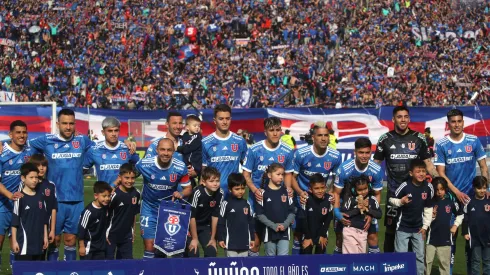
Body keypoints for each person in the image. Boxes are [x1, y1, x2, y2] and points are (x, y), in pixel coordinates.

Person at [26, 109, 96, 261]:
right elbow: (25, 145)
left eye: (71, 123)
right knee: (54, 240)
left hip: (76, 200)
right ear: (58, 124)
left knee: (71, 239)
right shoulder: (46, 140)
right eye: (64, 123)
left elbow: (101, 147)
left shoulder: (82, 141)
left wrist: (128, 144)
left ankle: (69, 271)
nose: (68, 127)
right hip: (53, 201)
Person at [374, 106, 437, 253]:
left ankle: (413, 268)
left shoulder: (419, 138)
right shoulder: (385, 139)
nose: (403, 119)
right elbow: (375, 166)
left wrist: (441, 183)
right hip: (393, 195)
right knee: (390, 232)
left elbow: (428, 165)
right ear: (393, 119)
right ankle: (389, 266)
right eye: (399, 116)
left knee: (416, 231)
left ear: (409, 118)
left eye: (405, 117)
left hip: (416, 195)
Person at [434, 109, 488, 274]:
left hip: (472, 198)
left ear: (463, 122)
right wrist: (456, 192)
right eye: (453, 122)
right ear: (448, 124)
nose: (456, 124)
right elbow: (441, 173)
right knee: (450, 237)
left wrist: (487, 188)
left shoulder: (473, 141)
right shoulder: (442, 144)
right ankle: (448, 271)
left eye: (459, 121)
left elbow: (483, 167)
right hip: (451, 197)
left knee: (472, 237)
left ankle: (470, 271)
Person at [242, 117, 294, 256]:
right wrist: (254, 190)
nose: (275, 133)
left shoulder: (287, 151)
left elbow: (288, 173)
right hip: (257, 204)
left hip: (278, 205)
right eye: (272, 130)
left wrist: (288, 190)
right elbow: (246, 173)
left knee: (278, 242)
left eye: (278, 130)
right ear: (265, 132)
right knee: (255, 242)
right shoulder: (254, 150)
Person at [135, 138, 192, 259]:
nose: (165, 153)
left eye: (169, 150)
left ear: (174, 151)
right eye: (162, 149)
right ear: (157, 150)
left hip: (169, 211)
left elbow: (188, 188)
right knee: (150, 248)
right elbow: (128, 175)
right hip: (149, 209)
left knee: (171, 248)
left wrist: (181, 194)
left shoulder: (180, 167)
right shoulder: (144, 164)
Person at [292, 124, 341, 255]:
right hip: (302, 200)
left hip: (321, 200)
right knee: (298, 235)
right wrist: (300, 192)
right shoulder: (301, 154)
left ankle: (321, 268)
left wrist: (330, 190)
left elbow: (336, 178)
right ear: (313, 137)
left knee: (322, 234)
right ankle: (296, 266)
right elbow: (292, 177)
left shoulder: (335, 156)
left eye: (326, 135)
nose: (323, 138)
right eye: (320, 135)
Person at [333, 137, 383, 254]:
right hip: (346, 209)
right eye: (361, 152)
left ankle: (374, 268)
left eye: (367, 152)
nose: (364, 156)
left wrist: (371, 214)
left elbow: (377, 194)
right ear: (354, 152)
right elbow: (336, 192)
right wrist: (337, 213)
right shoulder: (344, 169)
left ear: (371, 152)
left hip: (367, 208)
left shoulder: (376, 170)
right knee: (340, 239)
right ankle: (338, 269)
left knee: (372, 238)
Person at [0, 120, 37, 266]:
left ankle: (14, 270)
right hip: (3, 205)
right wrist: (10, 195)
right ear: (11, 135)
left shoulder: (30, 151)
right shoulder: (3, 152)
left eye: (24, 132)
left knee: (17, 244)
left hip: (22, 206)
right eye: (18, 132)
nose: (22, 136)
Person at [389, 159, 434, 275]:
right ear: (411, 173)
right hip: (403, 227)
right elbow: (391, 199)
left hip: (419, 228)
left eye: (423, 171)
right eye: (418, 171)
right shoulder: (405, 186)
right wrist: (401, 202)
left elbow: (428, 209)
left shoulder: (428, 187)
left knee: (419, 256)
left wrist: (425, 227)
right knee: (401, 256)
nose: (421, 174)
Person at [202, 104, 247, 196]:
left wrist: (242, 184)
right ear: (215, 121)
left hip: (233, 194)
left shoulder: (240, 141)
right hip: (213, 194)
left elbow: (246, 167)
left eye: (227, 118)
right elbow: (203, 171)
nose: (225, 122)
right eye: (221, 119)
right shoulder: (205, 142)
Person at [83, 117, 140, 187]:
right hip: (105, 195)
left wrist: (130, 179)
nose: (113, 134)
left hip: (123, 196)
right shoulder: (94, 150)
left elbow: (140, 168)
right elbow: (81, 170)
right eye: (110, 131)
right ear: (103, 132)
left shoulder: (127, 148)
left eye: (116, 130)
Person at [255, 163, 296, 256]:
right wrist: (273, 226)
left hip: (284, 231)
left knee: (283, 258)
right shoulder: (262, 193)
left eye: (282, 174)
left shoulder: (287, 192)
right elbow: (259, 214)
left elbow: (292, 212)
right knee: (270, 260)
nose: (281, 177)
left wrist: (285, 225)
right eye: (278, 174)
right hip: (269, 232)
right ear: (269, 175)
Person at [426, 177, 463, 275]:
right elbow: (423, 220)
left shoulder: (450, 202)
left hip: (445, 240)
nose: (439, 192)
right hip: (430, 240)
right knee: (426, 264)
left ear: (445, 189)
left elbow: (460, 214)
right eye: (437, 190)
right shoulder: (429, 202)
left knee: (444, 266)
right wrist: (431, 217)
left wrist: (455, 225)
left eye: (442, 189)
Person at [10, 163, 48, 261]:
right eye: (31, 177)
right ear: (23, 178)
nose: (34, 180)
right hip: (24, 244)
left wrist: (45, 237)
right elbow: (15, 222)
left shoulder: (41, 196)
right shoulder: (19, 198)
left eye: (36, 177)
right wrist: (14, 241)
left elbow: (44, 220)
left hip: (39, 242)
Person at [106, 163, 141, 260]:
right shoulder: (114, 195)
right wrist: (104, 233)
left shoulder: (136, 193)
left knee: (127, 263)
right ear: (120, 177)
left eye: (132, 178)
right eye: (127, 178)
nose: (130, 181)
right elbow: (105, 214)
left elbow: (133, 214)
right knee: (108, 263)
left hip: (127, 235)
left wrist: (133, 231)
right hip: (111, 235)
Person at [187, 167, 224, 258]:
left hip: (205, 226)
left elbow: (215, 216)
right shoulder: (197, 192)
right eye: (211, 181)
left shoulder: (220, 193)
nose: (215, 184)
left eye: (217, 181)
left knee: (211, 251)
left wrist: (213, 239)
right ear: (203, 182)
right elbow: (192, 216)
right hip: (189, 226)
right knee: (194, 252)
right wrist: (195, 239)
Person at [341, 175, 382, 254]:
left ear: (369, 187)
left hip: (363, 233)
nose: (363, 192)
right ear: (354, 190)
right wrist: (358, 209)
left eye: (365, 189)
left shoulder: (372, 199)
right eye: (360, 190)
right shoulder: (350, 199)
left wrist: (368, 210)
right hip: (350, 231)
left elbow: (379, 214)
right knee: (350, 259)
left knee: (360, 259)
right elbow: (345, 214)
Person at [28, 154, 58, 260]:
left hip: (45, 228)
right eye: (38, 165)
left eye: (44, 165)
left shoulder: (50, 185)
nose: (41, 168)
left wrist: (52, 229)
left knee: (41, 257)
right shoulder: (26, 185)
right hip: (29, 228)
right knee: (28, 258)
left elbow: (54, 209)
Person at [217, 173, 255, 257]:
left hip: (245, 243)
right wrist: (220, 238)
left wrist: (252, 238)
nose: (240, 191)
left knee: (243, 267)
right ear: (230, 189)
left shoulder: (247, 203)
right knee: (231, 267)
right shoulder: (225, 204)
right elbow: (221, 223)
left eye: (242, 188)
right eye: (237, 189)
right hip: (230, 244)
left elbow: (251, 223)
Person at [297, 173, 333, 255]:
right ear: (310, 189)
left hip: (322, 233)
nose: (320, 191)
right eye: (316, 188)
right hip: (307, 233)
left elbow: (328, 219)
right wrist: (307, 237)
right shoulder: (306, 199)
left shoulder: (329, 199)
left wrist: (323, 235)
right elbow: (303, 219)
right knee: (306, 260)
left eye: (322, 188)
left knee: (319, 259)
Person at [462, 176, 490, 275]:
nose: (482, 190)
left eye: (484, 188)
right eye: (479, 188)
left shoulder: (489, 200)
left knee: (487, 262)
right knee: (476, 262)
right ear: (474, 188)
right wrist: (465, 232)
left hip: (488, 238)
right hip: (474, 238)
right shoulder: (469, 202)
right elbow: (465, 219)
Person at [78, 181, 112, 260]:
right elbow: (81, 230)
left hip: (101, 247)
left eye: (109, 196)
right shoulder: (88, 212)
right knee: (87, 270)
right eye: (104, 196)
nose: (107, 199)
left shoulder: (105, 207)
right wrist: (82, 246)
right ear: (96, 196)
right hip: (89, 248)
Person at [176, 114, 202, 184]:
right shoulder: (185, 135)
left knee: (198, 182)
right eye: (195, 125)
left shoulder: (197, 137)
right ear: (187, 127)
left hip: (196, 164)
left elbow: (188, 148)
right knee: (188, 182)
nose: (197, 128)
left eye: (198, 126)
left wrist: (177, 148)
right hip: (188, 163)